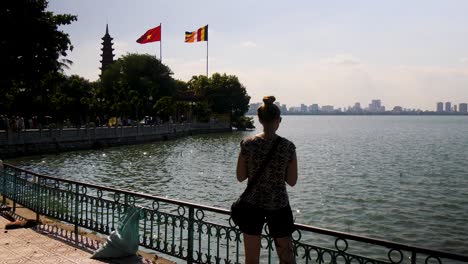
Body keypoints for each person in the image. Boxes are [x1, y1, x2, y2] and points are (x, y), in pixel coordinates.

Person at [235, 96, 298, 264]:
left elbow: (240, 177)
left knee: (251, 259)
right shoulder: (288, 147)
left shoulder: (247, 144)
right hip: (279, 205)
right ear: (279, 120)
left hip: (251, 206)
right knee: (286, 256)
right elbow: (292, 181)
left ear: (259, 119)